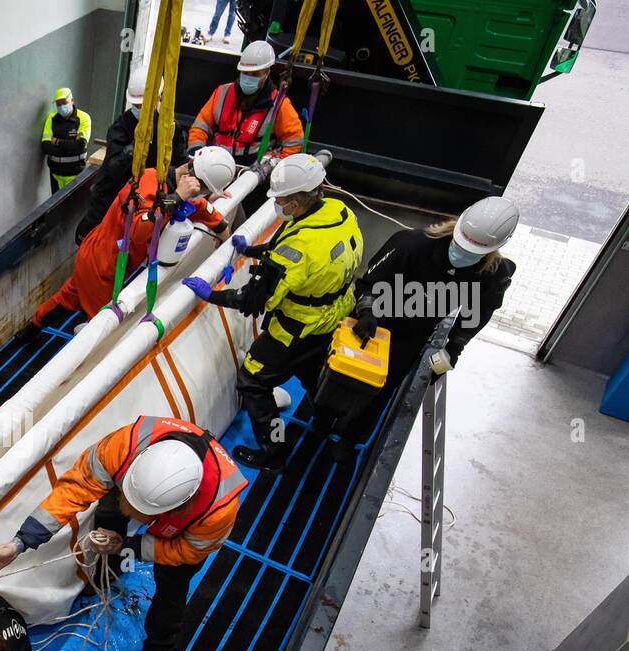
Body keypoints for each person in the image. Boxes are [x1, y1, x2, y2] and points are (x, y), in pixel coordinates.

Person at [0, 415, 246, 651]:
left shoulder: (218, 509)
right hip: (128, 486)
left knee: (171, 591)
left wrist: (130, 545)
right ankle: (107, 571)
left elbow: (186, 552)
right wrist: (19, 543)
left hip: (184, 537)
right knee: (109, 516)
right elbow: (75, 489)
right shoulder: (122, 446)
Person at [184, 152, 363, 470]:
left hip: (298, 326)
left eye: (281, 199)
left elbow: (252, 301)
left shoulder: (296, 251)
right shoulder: (339, 212)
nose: (278, 204)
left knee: (253, 381)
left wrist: (209, 294)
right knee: (312, 373)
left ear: (295, 201)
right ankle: (323, 422)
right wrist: (253, 250)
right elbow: (307, 248)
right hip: (335, 315)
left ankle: (274, 448)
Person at [340, 196, 519, 447]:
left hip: (414, 336)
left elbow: (474, 318)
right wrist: (367, 311)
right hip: (377, 323)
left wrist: (452, 351)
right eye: (462, 245)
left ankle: (350, 438)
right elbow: (370, 282)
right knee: (344, 374)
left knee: (384, 388)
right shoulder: (411, 244)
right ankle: (324, 419)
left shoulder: (493, 275)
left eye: (473, 252)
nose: (463, 253)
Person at [28, 151, 234, 336]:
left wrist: (225, 239)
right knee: (104, 329)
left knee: (68, 298)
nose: (199, 196)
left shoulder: (176, 188)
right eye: (201, 190)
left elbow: (206, 211)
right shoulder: (148, 181)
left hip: (100, 256)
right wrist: (177, 197)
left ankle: (31, 328)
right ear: (193, 182)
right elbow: (139, 229)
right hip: (103, 268)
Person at [75, 66, 192, 242]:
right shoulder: (121, 128)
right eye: (136, 106)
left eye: (142, 106)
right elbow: (112, 170)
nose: (139, 109)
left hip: (146, 204)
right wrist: (135, 146)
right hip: (112, 204)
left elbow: (181, 163)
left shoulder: (169, 129)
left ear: (158, 99)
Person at [186, 40, 302, 170]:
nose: (249, 77)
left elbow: (294, 142)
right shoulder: (222, 92)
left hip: (252, 174)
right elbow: (200, 127)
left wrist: (271, 166)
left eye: (255, 74)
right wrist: (196, 152)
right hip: (215, 166)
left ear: (267, 73)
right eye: (245, 73)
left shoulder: (279, 104)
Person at [40, 87, 92, 194]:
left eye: (64, 102)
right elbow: (45, 146)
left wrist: (57, 141)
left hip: (75, 174)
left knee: (72, 208)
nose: (61, 106)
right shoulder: (51, 118)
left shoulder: (84, 118)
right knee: (56, 207)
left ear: (72, 101)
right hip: (55, 174)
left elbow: (80, 145)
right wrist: (69, 147)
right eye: (58, 104)